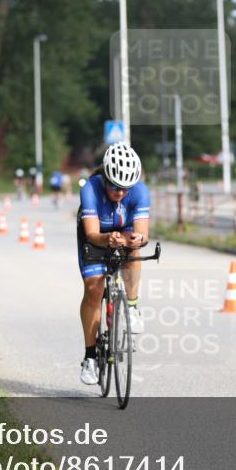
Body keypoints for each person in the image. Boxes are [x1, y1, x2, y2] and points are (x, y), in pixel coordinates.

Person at [76, 143, 150, 386]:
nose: (120, 193)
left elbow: (142, 233)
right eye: (115, 187)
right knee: (94, 289)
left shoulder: (139, 192)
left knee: (135, 249)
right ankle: (89, 357)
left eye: (125, 188)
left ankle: (131, 306)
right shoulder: (90, 190)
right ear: (105, 177)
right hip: (95, 235)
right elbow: (92, 234)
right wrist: (108, 239)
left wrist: (136, 239)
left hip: (124, 231)